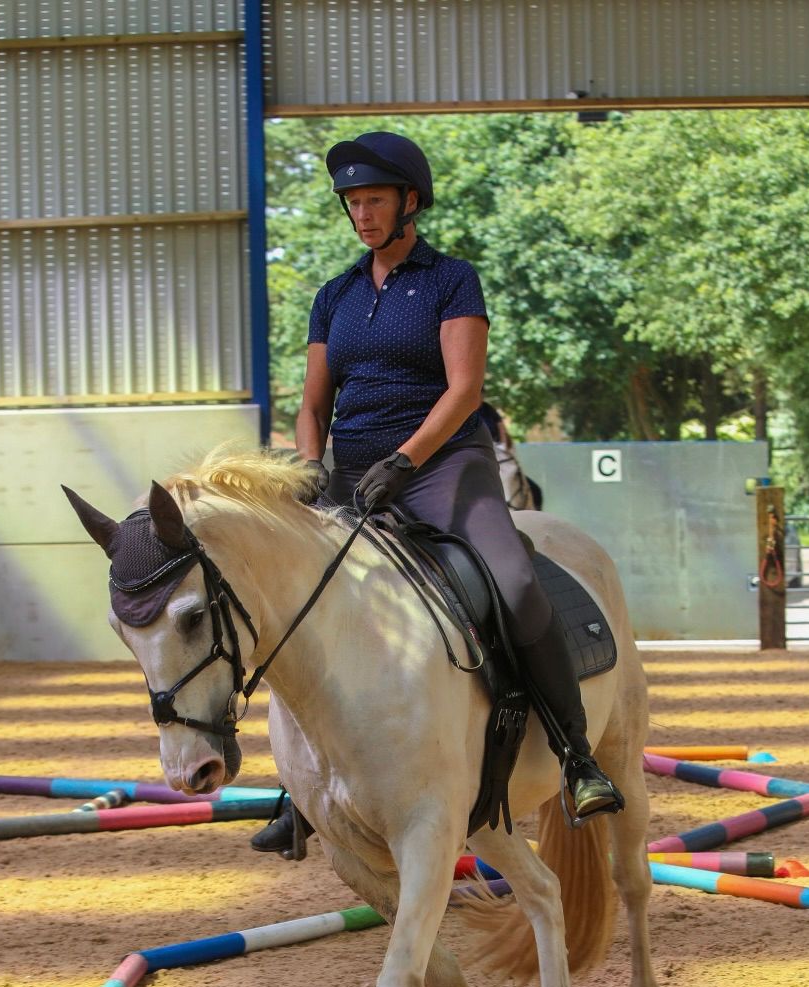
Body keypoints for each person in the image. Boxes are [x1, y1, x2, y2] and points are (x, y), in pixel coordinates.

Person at [251, 130, 619, 856]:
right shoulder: (336, 296)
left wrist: (407, 457)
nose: (362, 214)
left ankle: (576, 755)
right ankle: (300, 786)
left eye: (374, 200)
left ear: (409, 201)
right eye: (353, 203)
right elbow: (312, 402)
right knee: (290, 600)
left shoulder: (452, 281)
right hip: (353, 471)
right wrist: (311, 464)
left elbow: (465, 389)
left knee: (513, 583)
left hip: (446, 466)